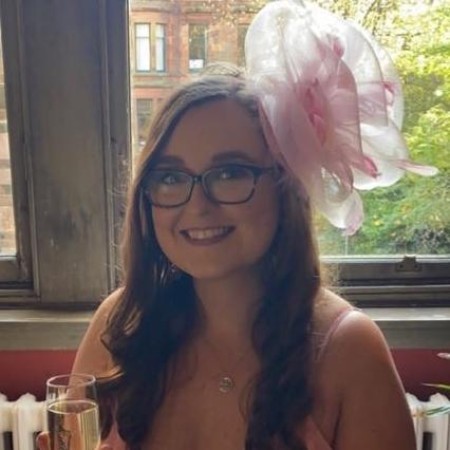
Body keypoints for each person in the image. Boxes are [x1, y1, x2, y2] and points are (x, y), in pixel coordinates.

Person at [39, 1, 438, 449]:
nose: (197, 205)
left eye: (230, 173)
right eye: (170, 177)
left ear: (285, 188)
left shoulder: (348, 351)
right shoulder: (122, 322)